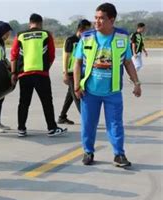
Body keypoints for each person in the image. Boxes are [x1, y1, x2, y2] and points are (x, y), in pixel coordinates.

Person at [74, 3, 141, 167]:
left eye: (101, 18)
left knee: (115, 124)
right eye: (95, 18)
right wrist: (77, 85)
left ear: (112, 20)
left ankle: (119, 154)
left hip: (113, 91)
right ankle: (88, 151)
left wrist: (136, 83)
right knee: (88, 123)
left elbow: (128, 63)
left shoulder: (121, 38)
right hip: (89, 91)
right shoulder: (86, 37)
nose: (97, 21)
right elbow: (77, 62)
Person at [10, 13, 67, 137]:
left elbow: (13, 56)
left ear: (30, 23)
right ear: (40, 23)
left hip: (24, 75)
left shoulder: (20, 36)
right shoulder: (46, 34)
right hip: (41, 74)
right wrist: (46, 68)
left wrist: (14, 73)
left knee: (24, 102)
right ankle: (51, 128)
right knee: (47, 102)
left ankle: (21, 128)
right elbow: (51, 55)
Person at [58, 19, 92, 125]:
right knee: (77, 96)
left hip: (81, 72)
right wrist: (65, 73)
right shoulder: (71, 40)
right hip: (71, 72)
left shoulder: (86, 40)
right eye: (87, 30)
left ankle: (62, 117)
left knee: (70, 95)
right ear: (81, 29)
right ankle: (87, 120)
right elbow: (66, 57)